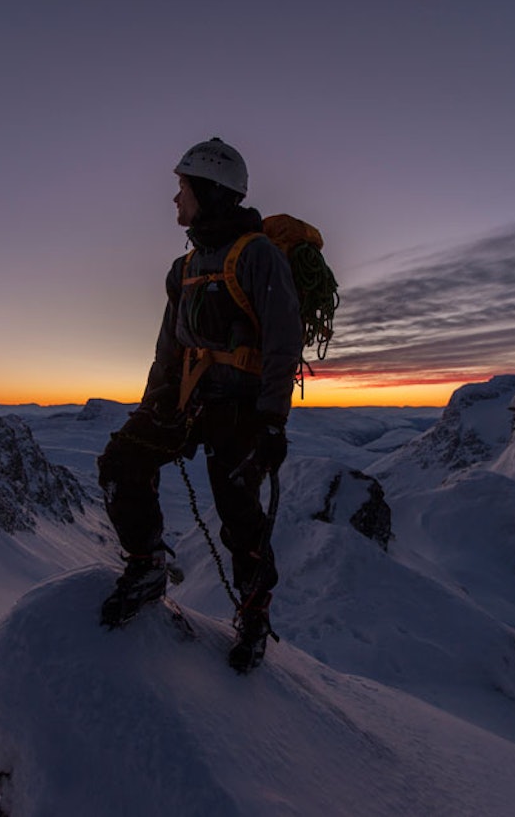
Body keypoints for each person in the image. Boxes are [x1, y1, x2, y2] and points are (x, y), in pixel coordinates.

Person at [97, 137, 302, 672]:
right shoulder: (182, 268)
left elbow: (283, 342)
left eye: (182, 187)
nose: (175, 199)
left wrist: (273, 423)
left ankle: (254, 617)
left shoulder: (258, 256)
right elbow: (170, 347)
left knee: (239, 516)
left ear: (210, 191)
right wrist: (151, 408)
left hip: (241, 409)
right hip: (189, 400)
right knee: (122, 461)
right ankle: (146, 566)